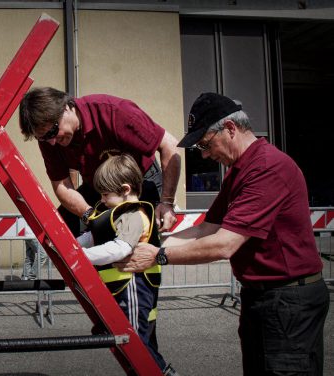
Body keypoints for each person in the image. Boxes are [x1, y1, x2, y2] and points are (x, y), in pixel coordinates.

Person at [118, 93, 329, 376]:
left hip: (288, 301)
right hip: (264, 298)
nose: (204, 154)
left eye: (205, 144)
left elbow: (225, 243)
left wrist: (158, 255)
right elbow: (208, 227)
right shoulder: (239, 170)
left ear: (230, 128)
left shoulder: (266, 167)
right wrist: (150, 243)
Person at [18, 87, 181, 237]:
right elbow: (62, 186)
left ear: (66, 107)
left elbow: (169, 145)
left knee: (141, 243)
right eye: (44, 137)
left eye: (53, 131)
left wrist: (167, 202)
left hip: (142, 180)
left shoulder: (114, 112)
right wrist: (90, 215)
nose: (52, 142)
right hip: (97, 187)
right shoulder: (50, 141)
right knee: (58, 234)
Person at [76, 154, 175, 375]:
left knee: (135, 342)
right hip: (123, 289)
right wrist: (70, 246)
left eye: (105, 194)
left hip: (134, 287)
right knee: (134, 341)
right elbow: (93, 237)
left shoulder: (132, 214)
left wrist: (81, 256)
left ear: (125, 189)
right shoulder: (113, 213)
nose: (101, 200)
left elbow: (121, 248)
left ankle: (161, 372)